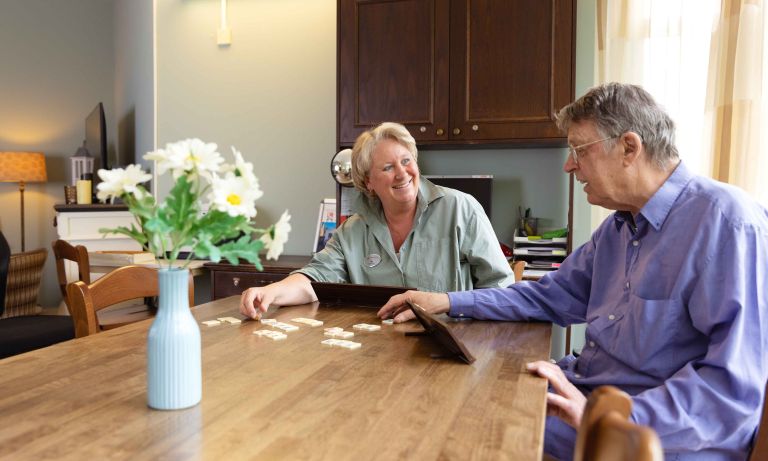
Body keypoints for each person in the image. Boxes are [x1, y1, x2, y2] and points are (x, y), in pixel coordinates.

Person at [378, 83, 768, 460]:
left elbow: (730, 392)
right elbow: (544, 295)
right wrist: (447, 300)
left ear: (629, 147)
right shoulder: (618, 228)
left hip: (652, 437)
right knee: (453, 398)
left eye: (579, 150)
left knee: (460, 427)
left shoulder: (727, 222)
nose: (569, 165)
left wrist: (607, 418)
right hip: (590, 395)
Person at [240, 122, 514, 319]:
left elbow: (502, 289)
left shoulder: (460, 208)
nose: (402, 174)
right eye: (387, 167)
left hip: (453, 344)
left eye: (406, 161)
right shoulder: (353, 230)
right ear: (368, 182)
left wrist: (452, 309)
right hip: (379, 349)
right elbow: (314, 281)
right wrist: (272, 292)